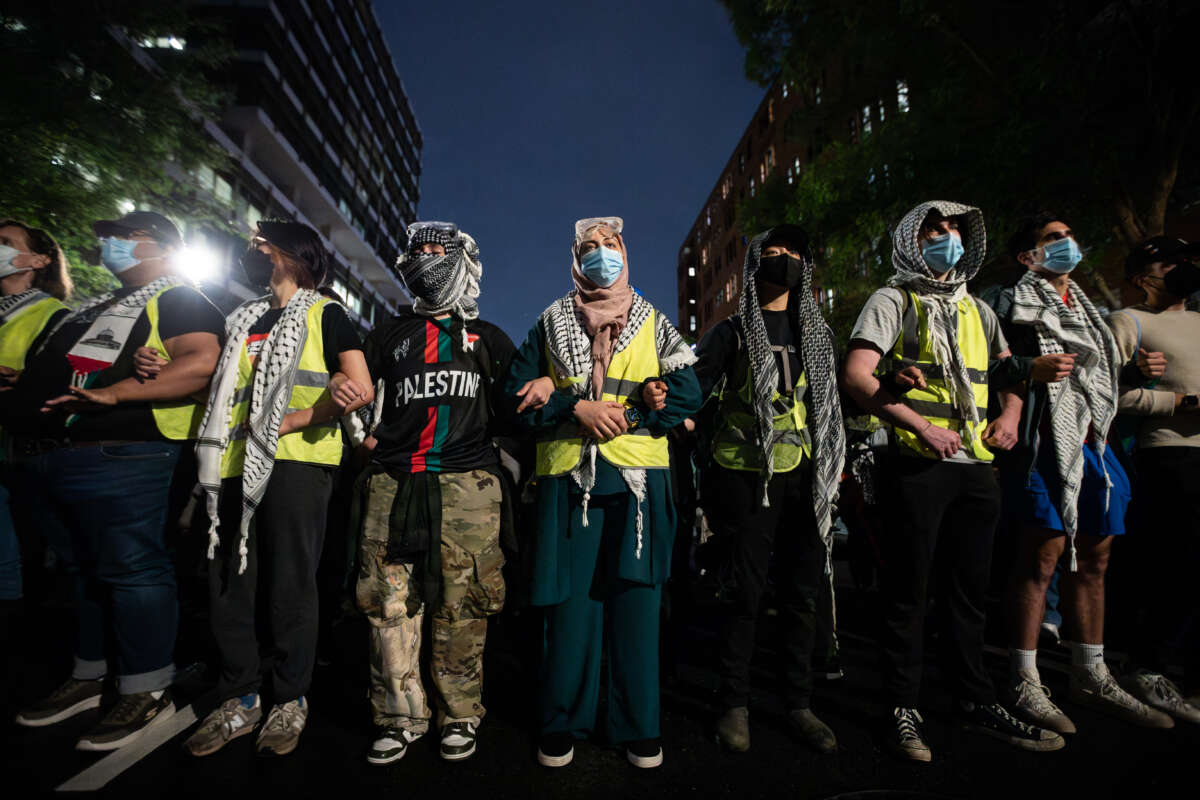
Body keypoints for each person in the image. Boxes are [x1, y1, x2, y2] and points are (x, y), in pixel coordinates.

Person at [841, 200, 1064, 762]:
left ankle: (973, 699)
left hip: (975, 469)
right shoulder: (893, 299)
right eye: (935, 232)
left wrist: (1009, 417)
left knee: (969, 594)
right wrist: (920, 426)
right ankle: (901, 709)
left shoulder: (976, 311)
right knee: (908, 593)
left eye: (954, 231)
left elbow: (1008, 372)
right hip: (915, 466)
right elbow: (857, 375)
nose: (947, 240)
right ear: (912, 242)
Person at [6, 211, 223, 750]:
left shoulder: (179, 295)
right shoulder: (96, 306)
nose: (107, 245)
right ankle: (88, 676)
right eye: (105, 237)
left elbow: (201, 362)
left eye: (122, 238)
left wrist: (115, 393)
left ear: (160, 245)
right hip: (59, 453)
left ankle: (146, 687)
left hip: (128, 453)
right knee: (83, 573)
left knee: (132, 570)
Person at [504, 216, 701, 769]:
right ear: (574, 257)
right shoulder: (550, 321)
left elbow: (688, 392)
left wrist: (638, 409)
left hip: (639, 484)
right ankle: (561, 720)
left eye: (609, 246)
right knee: (570, 607)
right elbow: (512, 394)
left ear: (624, 251)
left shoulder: (655, 321)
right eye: (589, 248)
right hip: (570, 481)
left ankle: (638, 725)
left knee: (637, 606)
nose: (600, 256)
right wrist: (574, 406)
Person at [181, 220, 371, 758]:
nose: (252, 251)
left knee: (290, 586)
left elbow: (359, 387)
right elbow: (222, 391)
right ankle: (239, 698)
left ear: (293, 254)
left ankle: (290, 698)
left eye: (262, 244)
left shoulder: (324, 312)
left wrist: (296, 419)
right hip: (231, 464)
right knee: (228, 582)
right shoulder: (241, 319)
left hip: (296, 462)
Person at [984, 214, 1172, 732]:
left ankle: (1090, 672)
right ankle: (1024, 678)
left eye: (1070, 235)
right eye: (1053, 238)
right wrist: (1028, 370)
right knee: (1040, 556)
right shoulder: (1007, 301)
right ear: (1028, 257)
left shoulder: (1088, 310)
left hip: (1095, 440)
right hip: (1046, 441)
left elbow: (1098, 379)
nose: (1068, 244)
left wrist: (1133, 374)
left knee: (1097, 555)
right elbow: (982, 367)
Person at [354, 221, 516, 765]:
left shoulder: (487, 338)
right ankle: (398, 716)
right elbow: (353, 390)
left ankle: (461, 713)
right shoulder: (387, 335)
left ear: (462, 260)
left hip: (468, 488)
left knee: (462, 603)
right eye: (417, 250)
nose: (425, 259)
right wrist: (360, 431)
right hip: (392, 485)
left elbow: (518, 407)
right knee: (387, 603)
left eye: (437, 251)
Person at [692, 225, 844, 754]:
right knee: (745, 592)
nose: (784, 261)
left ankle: (798, 704)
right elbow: (693, 391)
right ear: (754, 266)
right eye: (773, 253)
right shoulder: (730, 333)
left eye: (794, 254)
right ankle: (734, 702)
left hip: (807, 475)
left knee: (803, 592)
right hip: (745, 476)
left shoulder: (817, 335)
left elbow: (833, 402)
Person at [1107, 235, 1200, 722]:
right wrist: (1179, 404)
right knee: (1173, 564)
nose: (1183, 268)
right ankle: (1146, 667)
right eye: (1171, 262)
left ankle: (1188, 674)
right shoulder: (1129, 321)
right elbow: (1107, 394)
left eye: (1187, 260)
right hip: (1169, 456)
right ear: (1143, 276)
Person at [0, 219, 72, 640]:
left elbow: (58, 386)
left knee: (13, 560)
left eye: (6, 243)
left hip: (23, 459)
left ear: (38, 261)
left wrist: (22, 383)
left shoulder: (56, 317)